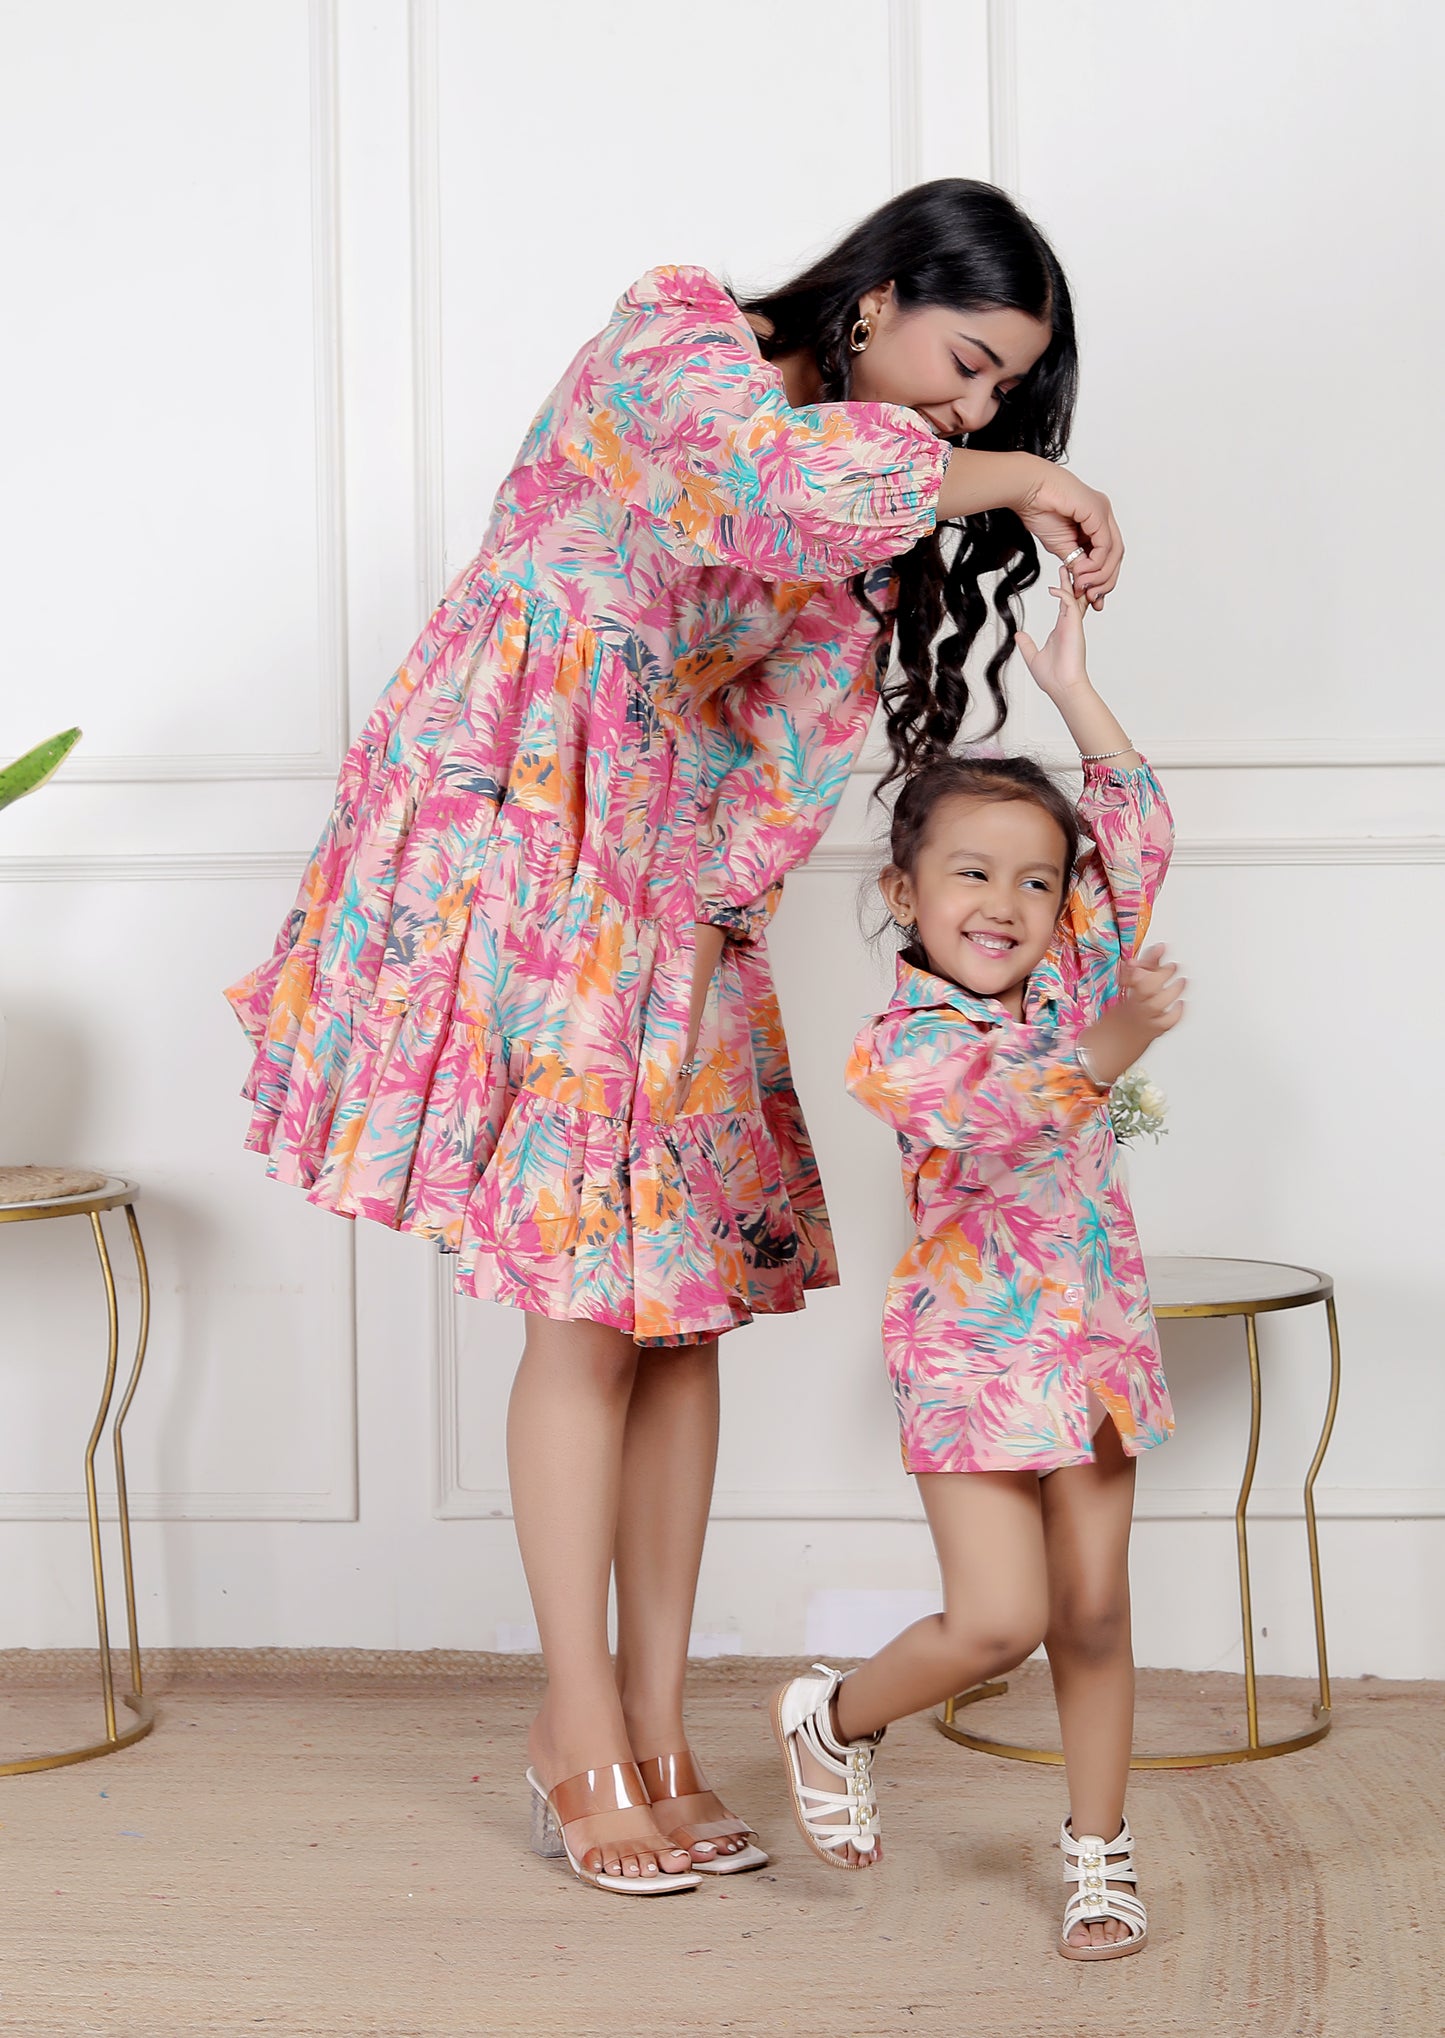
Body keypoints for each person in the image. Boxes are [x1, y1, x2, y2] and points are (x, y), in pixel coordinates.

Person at [226, 178, 1125, 1898]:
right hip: (509, 843)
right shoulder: (679, 337)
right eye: (967, 363)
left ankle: (657, 1718)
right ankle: (576, 1725)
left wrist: (707, 903)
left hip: (662, 891)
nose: (975, 409)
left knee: (681, 1309)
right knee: (585, 1304)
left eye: (1006, 396)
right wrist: (1010, 477)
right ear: (874, 299)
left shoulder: (855, 510)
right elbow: (757, 481)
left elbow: (784, 740)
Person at [771, 569, 1183, 1959]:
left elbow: (1134, 832)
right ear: (903, 890)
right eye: (969, 871)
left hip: (1098, 1344)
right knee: (998, 1618)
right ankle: (832, 1716)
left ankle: (1096, 1854)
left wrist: (1068, 687)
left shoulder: (1068, 976)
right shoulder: (904, 1042)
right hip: (969, 1358)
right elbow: (1001, 1120)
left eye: (1035, 877)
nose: (1005, 899)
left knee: (1092, 1610)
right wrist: (1112, 1050)